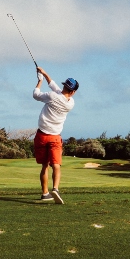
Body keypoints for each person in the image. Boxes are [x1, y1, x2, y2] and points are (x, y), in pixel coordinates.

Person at [33, 66, 78, 204]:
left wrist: (40, 80)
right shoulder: (71, 103)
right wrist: (45, 74)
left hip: (42, 135)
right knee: (56, 164)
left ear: (65, 86)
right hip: (55, 137)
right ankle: (56, 189)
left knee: (45, 166)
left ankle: (45, 193)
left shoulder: (52, 96)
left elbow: (36, 94)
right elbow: (56, 88)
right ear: (73, 92)